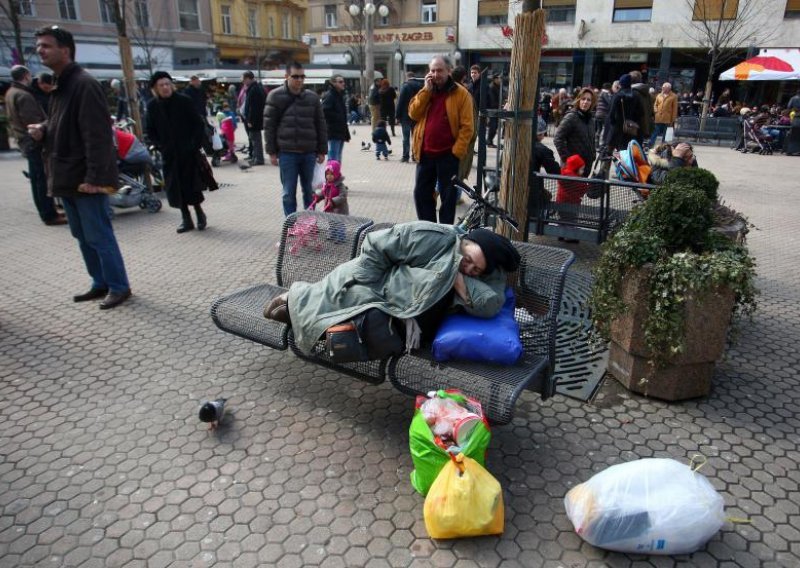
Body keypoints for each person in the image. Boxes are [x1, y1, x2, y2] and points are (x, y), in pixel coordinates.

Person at [263, 222, 522, 354]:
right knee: (341, 301)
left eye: (476, 271)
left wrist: (458, 280)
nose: (469, 268)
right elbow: (377, 243)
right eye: (468, 261)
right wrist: (367, 282)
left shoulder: (486, 274)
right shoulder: (436, 237)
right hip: (374, 279)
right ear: (470, 241)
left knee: (364, 325)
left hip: (400, 311)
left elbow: (490, 304)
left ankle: (298, 309)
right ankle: (295, 299)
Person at [29, 26, 131, 309]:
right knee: (83, 236)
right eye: (38, 46)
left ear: (66, 49)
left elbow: (97, 136)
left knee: (99, 235)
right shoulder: (61, 84)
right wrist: (43, 128)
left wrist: (95, 178)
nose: (41, 51)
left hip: (85, 179)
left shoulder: (83, 84)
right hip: (67, 177)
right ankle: (100, 283)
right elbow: (62, 124)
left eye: (47, 46)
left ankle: (119, 286)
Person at [408, 55, 474, 225]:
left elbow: (467, 128)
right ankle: (427, 229)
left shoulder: (461, 94)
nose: (435, 74)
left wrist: (456, 153)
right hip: (425, 154)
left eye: (439, 70)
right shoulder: (426, 91)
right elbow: (413, 113)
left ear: (449, 71)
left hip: (448, 155)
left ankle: (445, 232)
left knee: (448, 197)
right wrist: (425, 91)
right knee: (421, 194)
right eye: (432, 70)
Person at [146, 71, 209, 233]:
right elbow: (150, 131)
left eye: (167, 84)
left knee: (191, 185)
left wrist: (193, 145)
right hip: (169, 155)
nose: (165, 87)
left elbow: (198, 124)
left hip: (187, 153)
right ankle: (185, 218)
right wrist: (159, 145)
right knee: (176, 187)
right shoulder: (153, 106)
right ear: (155, 88)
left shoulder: (184, 101)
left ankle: (199, 213)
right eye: (161, 85)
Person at [264, 61, 327, 216]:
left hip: (308, 153)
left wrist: (322, 150)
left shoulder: (312, 98)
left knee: (309, 191)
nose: (299, 80)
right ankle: (291, 226)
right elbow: (269, 127)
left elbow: (321, 125)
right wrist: (272, 152)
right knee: (288, 192)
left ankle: (310, 223)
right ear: (286, 76)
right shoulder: (275, 96)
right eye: (295, 76)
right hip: (287, 153)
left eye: (302, 76)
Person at [5, 65, 65, 226]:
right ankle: (49, 213)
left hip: (25, 141)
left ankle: (48, 211)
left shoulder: (11, 93)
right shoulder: (23, 95)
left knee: (37, 178)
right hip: (33, 142)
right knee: (41, 179)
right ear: (26, 75)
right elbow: (34, 123)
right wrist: (44, 129)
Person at [553, 87, 596, 175]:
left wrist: (593, 155)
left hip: (586, 166)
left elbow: (592, 140)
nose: (585, 102)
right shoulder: (571, 117)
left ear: (592, 103)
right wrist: (568, 159)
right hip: (572, 168)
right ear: (578, 100)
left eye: (588, 100)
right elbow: (558, 138)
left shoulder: (591, 120)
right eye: (583, 99)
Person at [528, 117, 560, 218]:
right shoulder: (542, 150)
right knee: (545, 197)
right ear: (540, 134)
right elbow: (554, 171)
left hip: (514, 187)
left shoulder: (514, 143)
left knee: (546, 194)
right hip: (532, 190)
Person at [604, 73, 643, 153]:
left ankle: (605, 164)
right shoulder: (636, 95)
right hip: (629, 129)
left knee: (608, 152)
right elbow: (641, 112)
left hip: (616, 128)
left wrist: (612, 123)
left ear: (621, 84)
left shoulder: (617, 95)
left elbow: (611, 112)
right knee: (624, 153)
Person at [395, 72, 423, 162]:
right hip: (417, 115)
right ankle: (415, 155)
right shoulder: (421, 86)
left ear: (407, 77)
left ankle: (405, 156)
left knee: (406, 137)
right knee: (415, 136)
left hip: (405, 115)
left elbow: (400, 101)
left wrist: (397, 115)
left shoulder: (405, 86)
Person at [322, 74, 350, 163]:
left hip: (340, 131)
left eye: (343, 81)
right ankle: (332, 176)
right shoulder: (330, 95)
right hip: (333, 132)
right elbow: (324, 111)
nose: (343, 84)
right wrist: (337, 117)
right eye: (340, 82)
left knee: (338, 157)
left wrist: (346, 133)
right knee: (333, 157)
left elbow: (342, 115)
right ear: (333, 83)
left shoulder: (339, 95)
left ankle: (336, 175)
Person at [242, 71, 266, 165]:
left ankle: (259, 159)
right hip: (255, 119)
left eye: (244, 79)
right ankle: (256, 157)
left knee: (255, 139)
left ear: (248, 78)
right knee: (254, 138)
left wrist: (250, 120)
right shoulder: (255, 88)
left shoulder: (254, 89)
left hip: (254, 120)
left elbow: (254, 107)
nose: (243, 81)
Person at [649, 82, 678, 147]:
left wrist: (673, 119)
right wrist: (655, 111)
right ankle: (651, 143)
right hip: (658, 117)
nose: (662, 88)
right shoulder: (659, 95)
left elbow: (675, 108)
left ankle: (663, 146)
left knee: (665, 134)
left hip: (667, 118)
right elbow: (655, 104)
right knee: (655, 132)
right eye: (662, 87)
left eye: (664, 87)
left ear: (669, 88)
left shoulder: (674, 96)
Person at [629, 70, 653, 146]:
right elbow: (651, 110)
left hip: (632, 125)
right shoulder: (647, 93)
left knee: (629, 148)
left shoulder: (631, 92)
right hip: (644, 125)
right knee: (638, 147)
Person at [486, 74, 503, 147]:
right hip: (493, 109)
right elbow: (492, 99)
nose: (500, 80)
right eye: (499, 78)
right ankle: (489, 142)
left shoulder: (497, 86)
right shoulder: (492, 87)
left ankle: (490, 141)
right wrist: (498, 106)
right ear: (495, 79)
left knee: (495, 126)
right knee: (493, 126)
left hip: (496, 109)